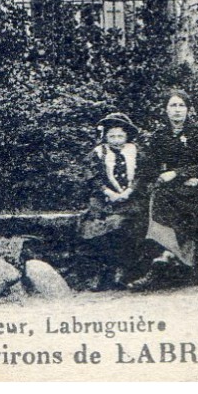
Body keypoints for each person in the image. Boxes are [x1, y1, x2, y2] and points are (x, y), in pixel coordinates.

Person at [130, 89, 198, 288]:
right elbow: (150, 165)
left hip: (197, 188)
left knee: (170, 202)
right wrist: (162, 176)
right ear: (166, 110)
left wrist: (179, 173)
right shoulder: (160, 135)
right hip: (171, 187)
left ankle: (167, 259)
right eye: (172, 106)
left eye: (181, 106)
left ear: (188, 110)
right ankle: (168, 256)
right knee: (157, 199)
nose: (177, 110)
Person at [77, 112, 144, 291]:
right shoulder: (98, 154)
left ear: (127, 136)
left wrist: (130, 191)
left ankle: (122, 272)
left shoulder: (135, 153)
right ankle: (101, 272)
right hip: (104, 200)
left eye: (120, 135)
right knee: (97, 228)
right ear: (105, 137)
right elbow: (93, 178)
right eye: (112, 136)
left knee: (126, 226)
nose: (116, 140)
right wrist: (108, 192)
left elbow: (142, 176)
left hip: (130, 200)